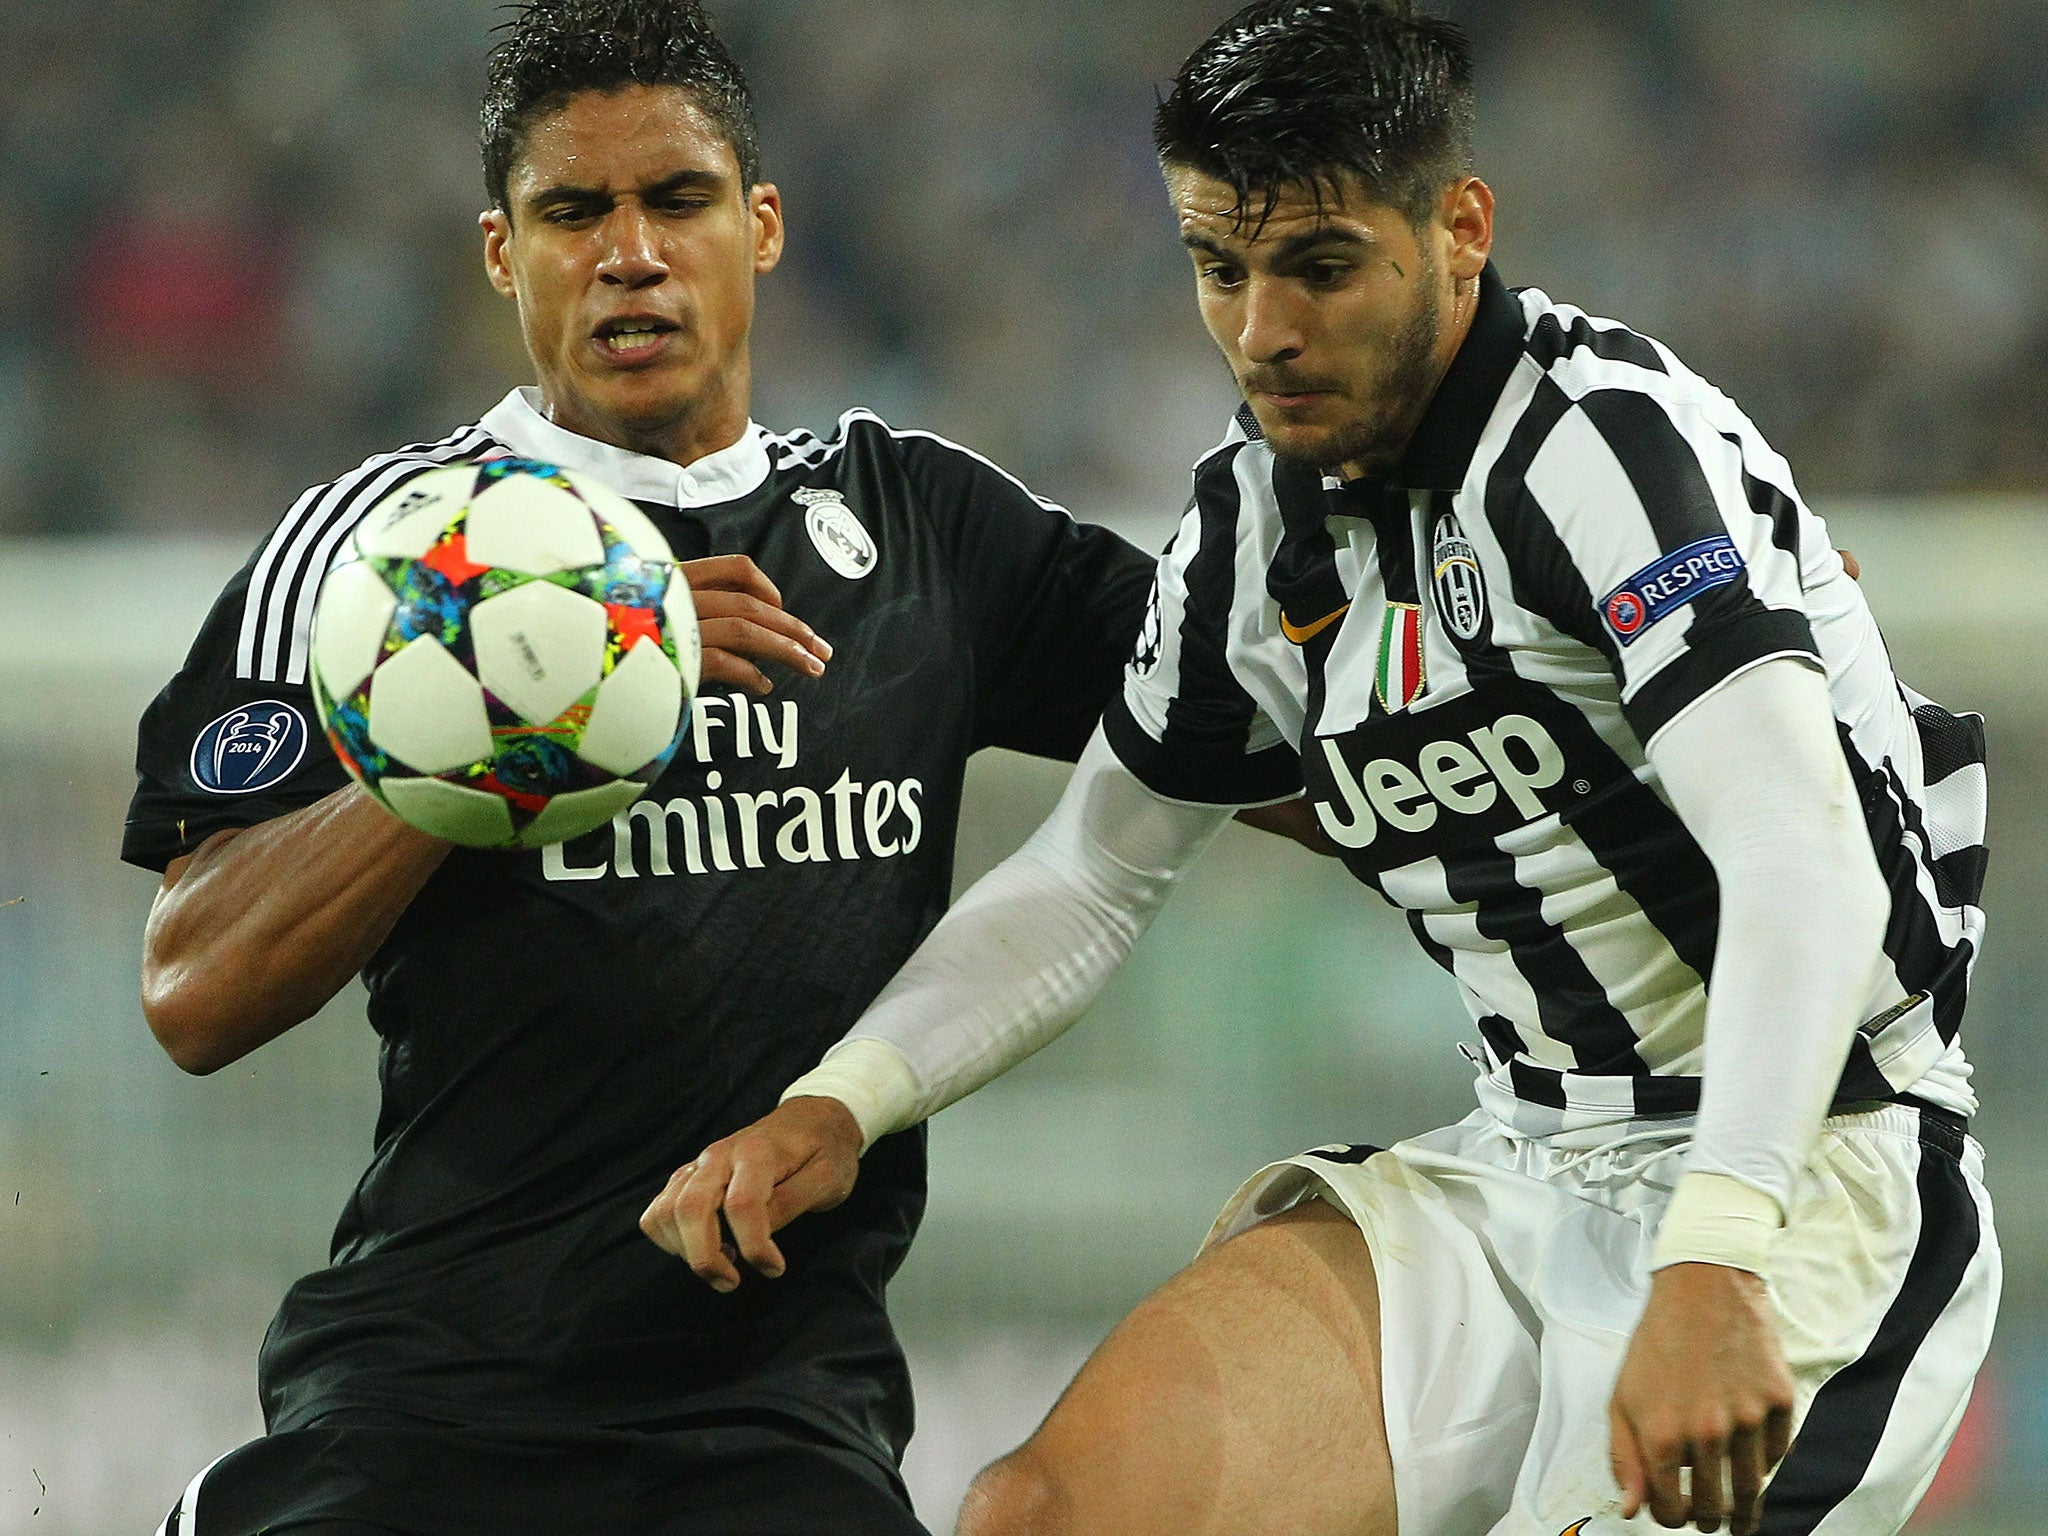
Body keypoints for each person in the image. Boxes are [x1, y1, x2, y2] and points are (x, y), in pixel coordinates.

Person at [651, 4, 2000, 1533]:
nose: (1261, 330)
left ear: (1460, 229)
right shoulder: (1248, 526)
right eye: (1221, 269)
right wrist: (839, 1103)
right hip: (1531, 1167)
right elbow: (1095, 867)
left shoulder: (1599, 447)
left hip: (1808, 1179)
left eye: (1321, 265)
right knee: (1046, 1515)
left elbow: (1795, 848)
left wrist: (1713, 1250)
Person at [120, 1, 1329, 1529]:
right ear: (504, 252)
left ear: (758, 226)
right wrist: (519, 712)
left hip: (776, 1420)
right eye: (574, 212)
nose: (630, 252)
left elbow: (1290, 758)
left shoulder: (921, 534)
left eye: (676, 201)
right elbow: (194, 992)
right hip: (420, 1401)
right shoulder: (389, 547)